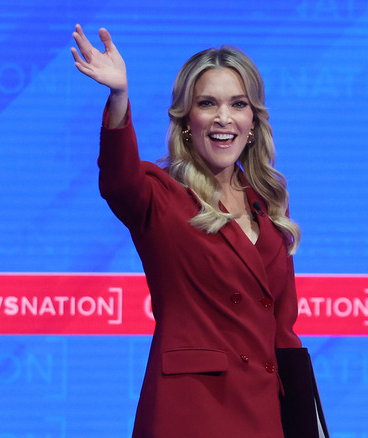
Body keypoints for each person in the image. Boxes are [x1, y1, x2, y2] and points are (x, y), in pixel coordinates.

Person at [71, 25, 326, 438]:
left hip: (264, 415)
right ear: (187, 120)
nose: (223, 118)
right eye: (208, 104)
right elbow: (119, 181)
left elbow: (283, 330)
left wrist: (302, 423)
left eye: (238, 104)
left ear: (253, 121)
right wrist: (119, 97)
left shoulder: (268, 207)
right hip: (191, 412)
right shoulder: (164, 197)